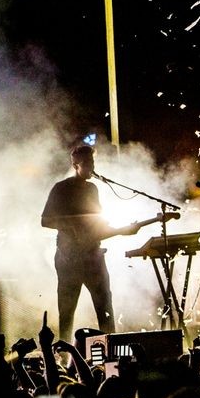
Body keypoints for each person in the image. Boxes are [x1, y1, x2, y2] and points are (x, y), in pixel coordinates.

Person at [41, 144, 131, 341]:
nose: (92, 167)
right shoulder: (61, 188)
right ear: (76, 165)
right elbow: (45, 220)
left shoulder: (92, 189)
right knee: (67, 311)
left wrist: (122, 231)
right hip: (68, 259)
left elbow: (96, 227)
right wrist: (71, 226)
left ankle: (111, 354)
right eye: (87, 163)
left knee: (105, 307)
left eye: (93, 162)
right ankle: (64, 356)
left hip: (93, 257)